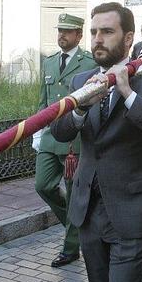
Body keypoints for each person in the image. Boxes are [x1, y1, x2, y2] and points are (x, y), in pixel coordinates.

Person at [51, 2, 142, 282]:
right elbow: (58, 131)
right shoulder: (81, 81)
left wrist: (128, 94)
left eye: (107, 31)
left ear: (129, 38)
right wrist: (80, 109)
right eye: (94, 31)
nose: (98, 39)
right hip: (89, 211)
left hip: (133, 211)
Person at [31, 13, 96, 268]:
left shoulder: (89, 62)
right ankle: (76, 227)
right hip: (49, 137)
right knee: (43, 185)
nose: (62, 35)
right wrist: (36, 131)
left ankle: (70, 248)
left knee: (73, 194)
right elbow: (42, 101)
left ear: (79, 35)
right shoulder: (48, 63)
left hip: (75, 139)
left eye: (67, 32)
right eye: (60, 31)